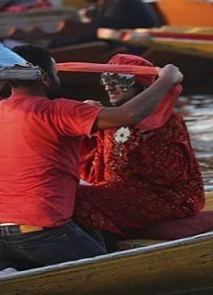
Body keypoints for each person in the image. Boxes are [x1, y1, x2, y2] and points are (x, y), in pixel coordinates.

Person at [0, 44, 184, 271]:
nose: (59, 79)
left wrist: (7, 66)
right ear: (44, 78)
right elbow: (129, 115)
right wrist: (166, 80)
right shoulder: (59, 110)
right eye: (56, 73)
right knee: (110, 276)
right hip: (42, 231)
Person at [74, 54, 205, 247]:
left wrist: (135, 135)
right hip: (124, 194)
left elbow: (168, 174)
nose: (109, 86)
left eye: (118, 80)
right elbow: (95, 173)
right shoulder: (113, 121)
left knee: (77, 198)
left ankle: (101, 252)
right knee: (65, 191)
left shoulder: (166, 120)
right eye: (106, 79)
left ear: (141, 85)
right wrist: (85, 127)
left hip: (169, 198)